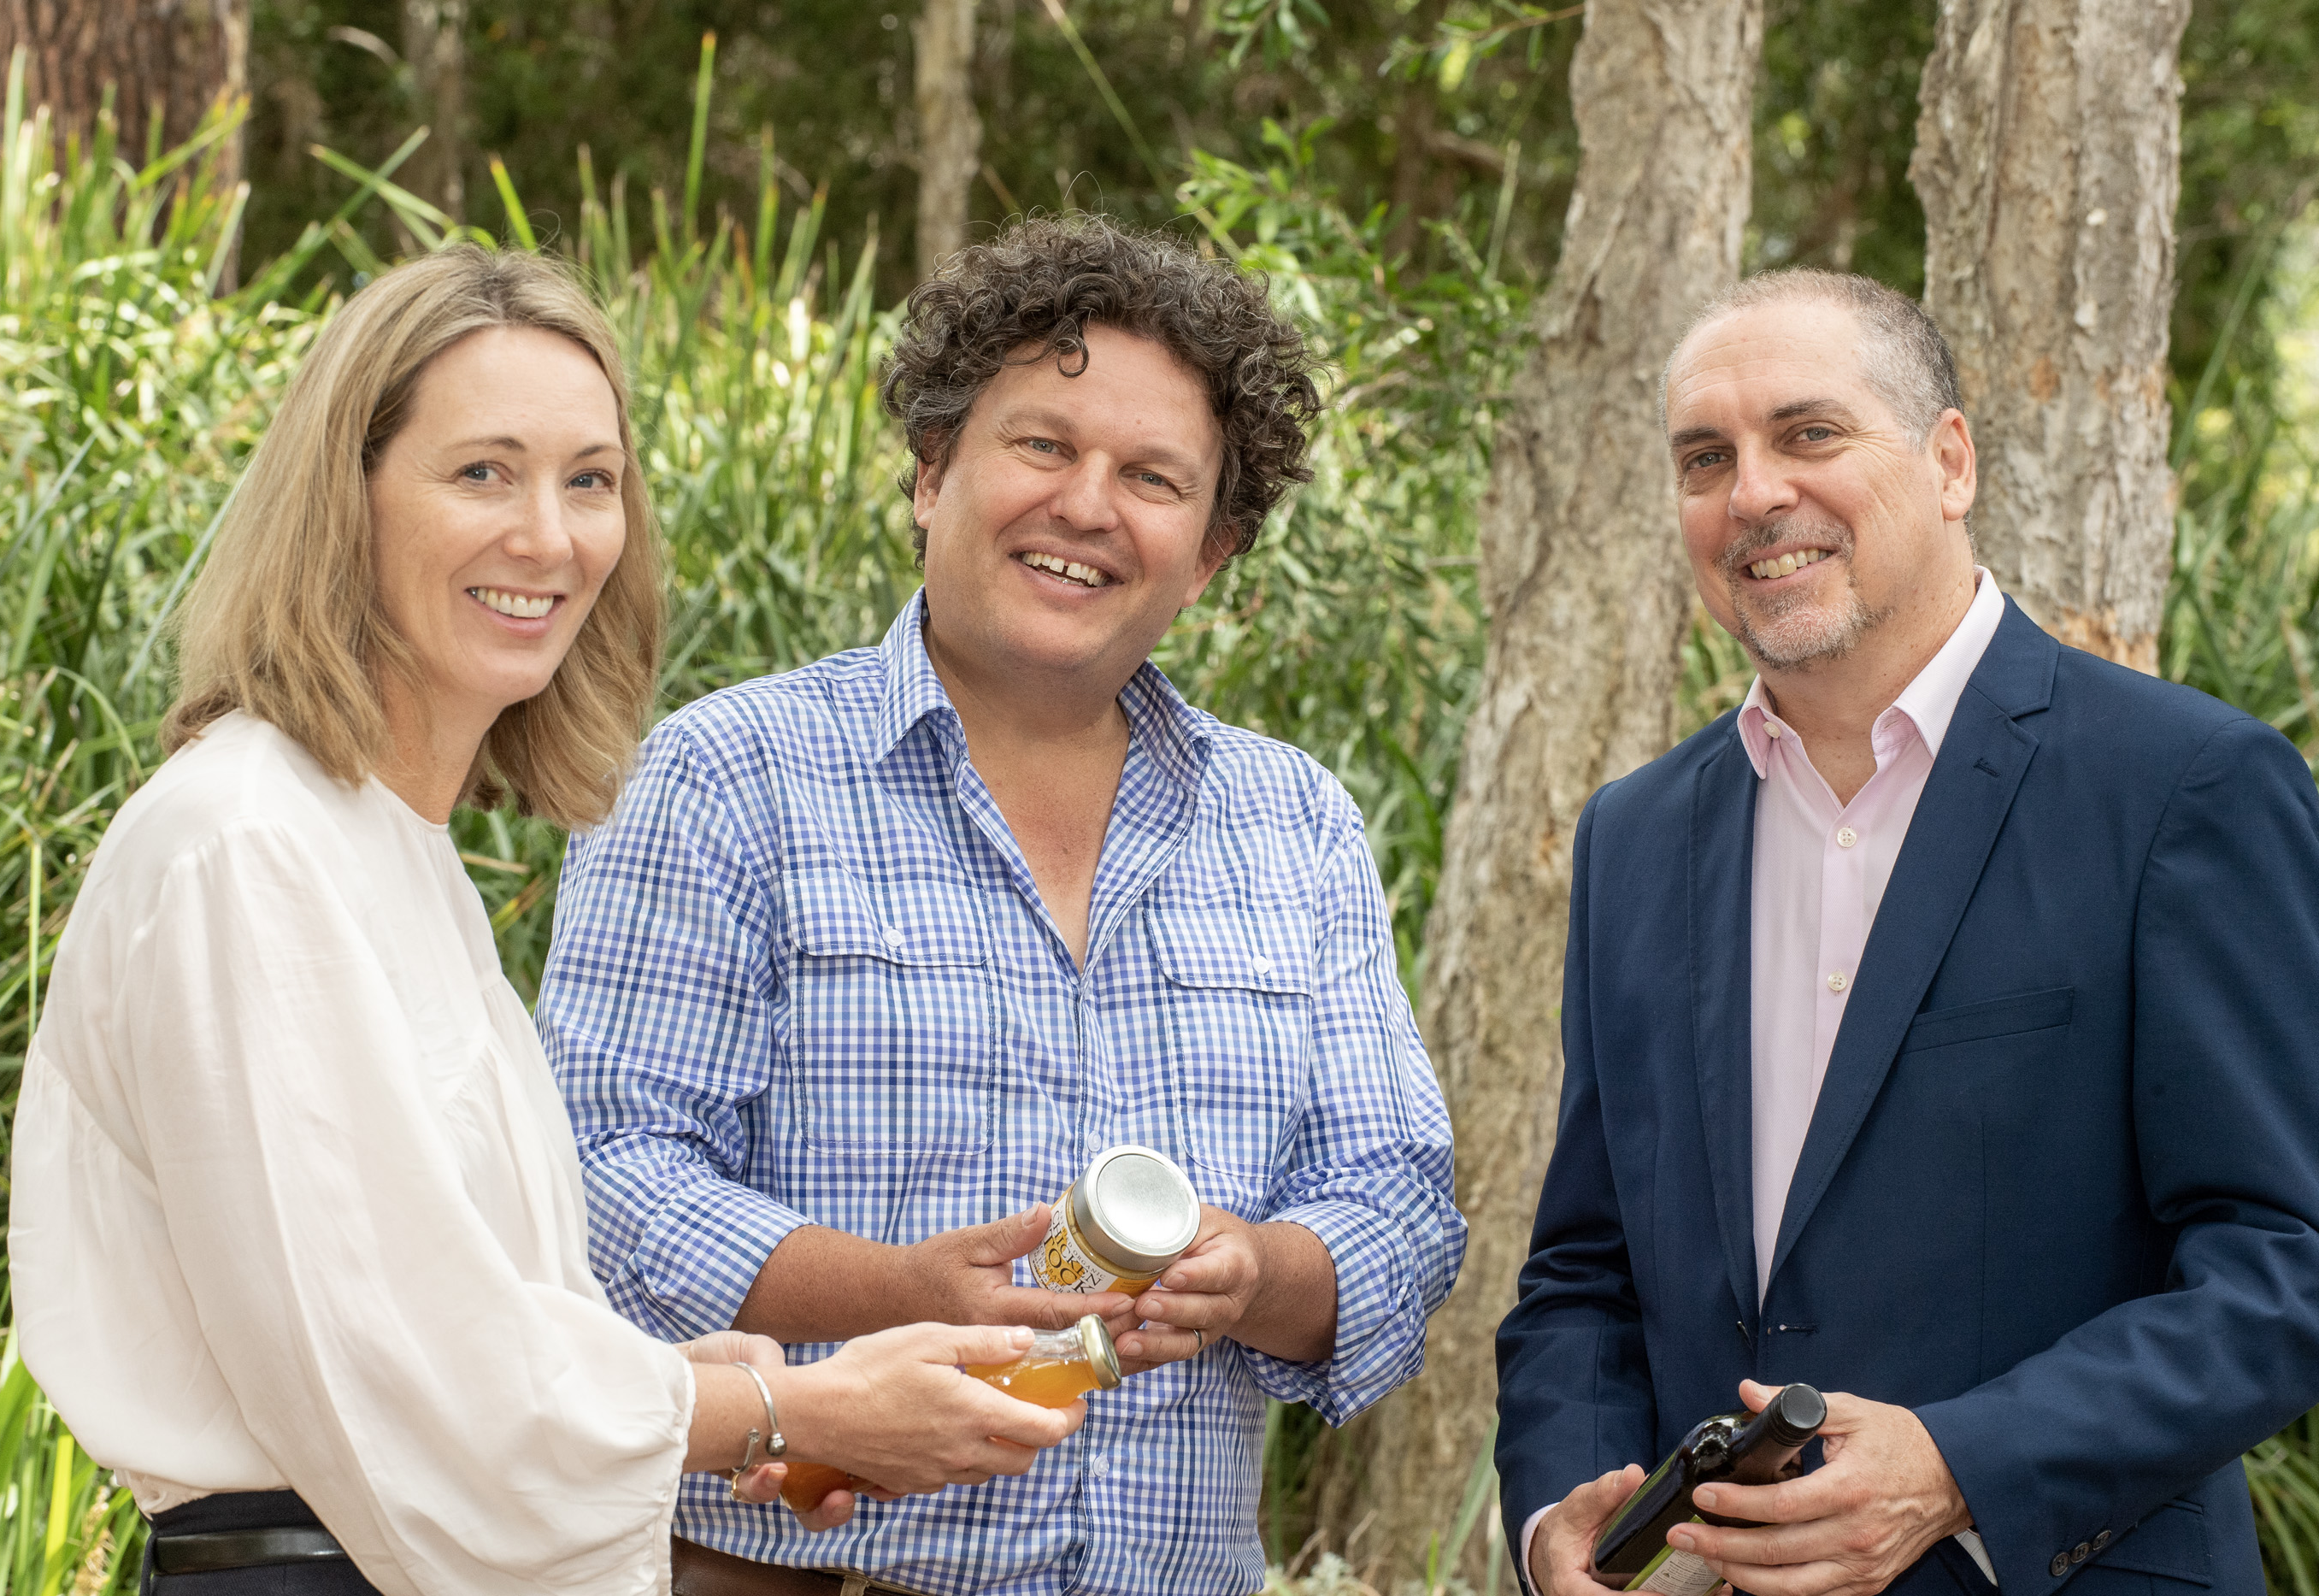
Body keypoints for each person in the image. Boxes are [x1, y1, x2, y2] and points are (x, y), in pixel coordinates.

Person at [9, 245, 1085, 1596]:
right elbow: (391, 1366)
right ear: (345, 496)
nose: (551, 537)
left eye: (591, 481)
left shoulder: (391, 849)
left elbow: (442, 1316)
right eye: (482, 472)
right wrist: (794, 1412)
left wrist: (677, 1386)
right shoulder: (244, 841)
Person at [537, 215, 1469, 1596]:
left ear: (1208, 554)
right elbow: (597, 1173)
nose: (1088, 505)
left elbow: (1401, 1200)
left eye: (1153, 477)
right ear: (931, 474)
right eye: (1043, 445)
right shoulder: (727, 778)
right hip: (796, 1571)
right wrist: (897, 1291)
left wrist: (1260, 1275)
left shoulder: (1297, 826)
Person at [1497, 267, 2319, 1596]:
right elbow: (1584, 1275)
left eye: (1809, 434)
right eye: (1707, 458)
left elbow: (2288, 1265)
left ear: (1949, 463)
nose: (1754, 492)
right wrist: (1561, 1524)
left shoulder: (2185, 788)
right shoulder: (1635, 836)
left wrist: (1960, 1464)